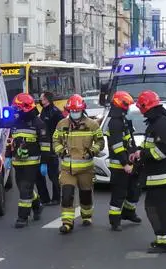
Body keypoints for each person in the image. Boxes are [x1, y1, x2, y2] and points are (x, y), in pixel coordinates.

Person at [130, 90, 166, 253]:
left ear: (146, 106)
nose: (141, 111)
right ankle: (164, 239)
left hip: (162, 176)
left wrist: (142, 154)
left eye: (142, 108)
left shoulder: (160, 123)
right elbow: (153, 146)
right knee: (156, 208)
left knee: (156, 208)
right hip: (158, 176)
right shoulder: (157, 122)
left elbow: (162, 151)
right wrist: (139, 151)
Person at [52, 94, 105, 234]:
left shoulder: (92, 125)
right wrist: (60, 151)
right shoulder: (62, 124)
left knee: (85, 194)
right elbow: (55, 141)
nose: (74, 113)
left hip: (85, 168)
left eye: (77, 111)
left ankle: (86, 216)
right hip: (67, 169)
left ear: (82, 110)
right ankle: (67, 223)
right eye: (72, 111)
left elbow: (100, 142)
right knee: (67, 194)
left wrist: (92, 151)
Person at [5, 93, 50, 228]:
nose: (15, 111)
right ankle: (37, 206)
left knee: (25, 188)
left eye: (17, 108)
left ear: (25, 108)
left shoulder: (39, 123)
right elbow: (10, 141)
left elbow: (45, 146)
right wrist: (7, 156)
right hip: (17, 162)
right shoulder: (15, 122)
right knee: (23, 189)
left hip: (32, 163)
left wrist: (44, 163)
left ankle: (22, 217)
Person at [106, 91, 142, 231]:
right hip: (120, 165)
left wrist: (136, 152)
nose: (129, 108)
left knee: (134, 190)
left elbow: (129, 141)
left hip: (130, 161)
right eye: (127, 105)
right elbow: (117, 146)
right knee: (119, 193)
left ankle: (129, 213)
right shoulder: (115, 123)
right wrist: (125, 163)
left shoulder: (123, 120)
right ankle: (115, 221)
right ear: (121, 105)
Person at [38, 91, 65, 206]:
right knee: (41, 175)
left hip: (52, 147)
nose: (40, 100)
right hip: (43, 145)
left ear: (47, 100)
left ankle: (56, 198)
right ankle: (45, 199)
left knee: (53, 174)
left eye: (41, 98)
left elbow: (62, 127)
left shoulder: (55, 112)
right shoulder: (44, 111)